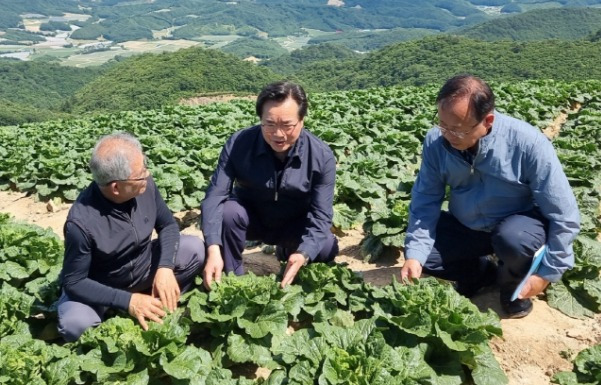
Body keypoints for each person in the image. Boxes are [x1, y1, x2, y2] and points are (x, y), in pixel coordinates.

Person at [401, 74, 580, 318]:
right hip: (467, 225)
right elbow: (425, 200)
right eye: (442, 124)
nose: (447, 135)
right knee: (423, 253)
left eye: (457, 130)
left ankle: (512, 288)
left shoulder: (528, 145)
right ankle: (482, 274)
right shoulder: (436, 142)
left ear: (487, 121)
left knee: (513, 239)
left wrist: (548, 273)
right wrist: (414, 256)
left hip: (517, 226)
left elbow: (564, 214)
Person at [58, 133, 205, 341]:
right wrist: (128, 301)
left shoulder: (145, 184)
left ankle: (152, 301)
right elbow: (74, 281)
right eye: (140, 174)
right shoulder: (81, 223)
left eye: (144, 168)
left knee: (195, 249)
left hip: (144, 267)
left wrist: (165, 267)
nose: (147, 174)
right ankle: (123, 308)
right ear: (116, 188)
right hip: (102, 285)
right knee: (75, 325)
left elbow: (168, 225)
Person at [201, 81, 338, 289]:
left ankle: (289, 253)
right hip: (251, 219)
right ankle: (231, 280)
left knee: (326, 246)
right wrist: (213, 248)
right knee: (227, 212)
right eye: (270, 124)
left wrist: (304, 253)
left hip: (294, 224)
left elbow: (321, 216)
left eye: (287, 125)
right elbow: (215, 196)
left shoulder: (321, 156)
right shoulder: (239, 143)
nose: (278, 134)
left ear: (302, 121)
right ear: (260, 120)